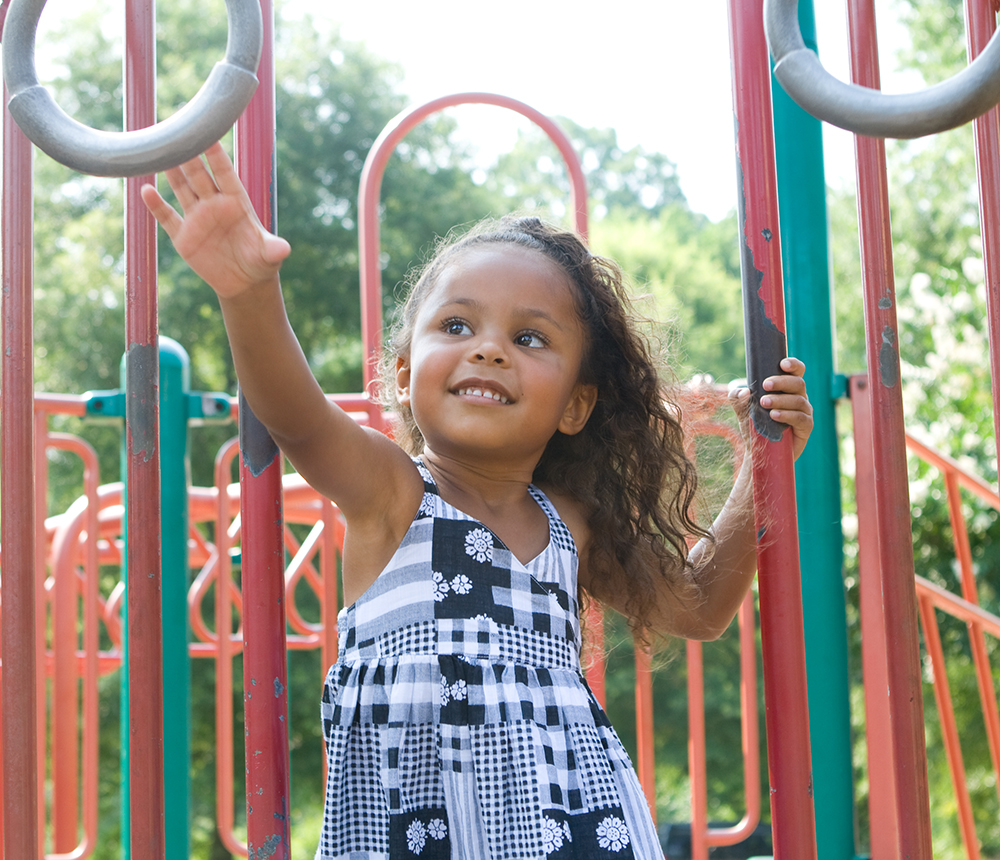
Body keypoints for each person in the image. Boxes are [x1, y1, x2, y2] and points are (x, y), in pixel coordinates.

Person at [141, 142, 813, 860]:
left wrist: (766, 466)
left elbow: (699, 604)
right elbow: (297, 417)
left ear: (576, 405)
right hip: (423, 833)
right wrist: (247, 292)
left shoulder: (568, 526)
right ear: (404, 375)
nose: (488, 349)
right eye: (457, 326)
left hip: (575, 832)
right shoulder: (394, 493)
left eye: (529, 337)